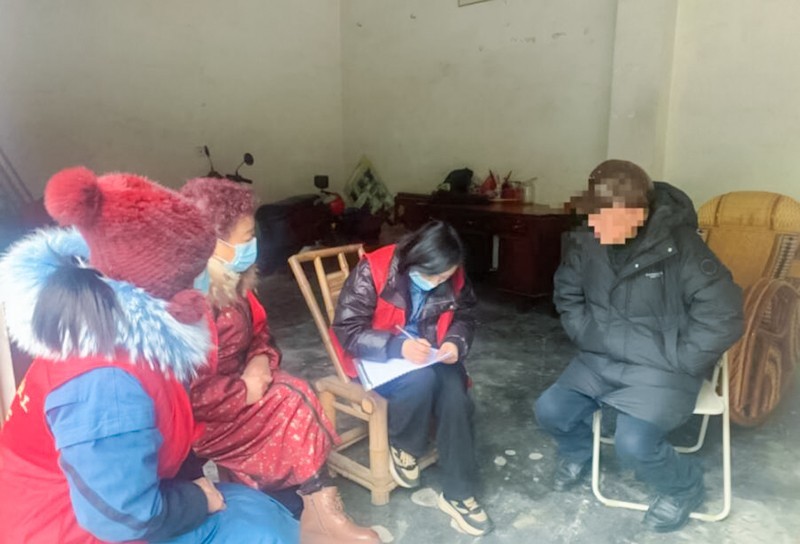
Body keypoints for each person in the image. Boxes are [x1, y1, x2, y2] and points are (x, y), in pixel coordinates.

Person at [0, 167, 298, 543]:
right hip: (70, 529)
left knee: (258, 512)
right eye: (197, 270)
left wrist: (194, 485)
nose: (205, 280)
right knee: (258, 533)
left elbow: (165, 426)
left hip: (126, 502)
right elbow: (120, 516)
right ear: (167, 281)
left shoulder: (139, 342)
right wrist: (196, 499)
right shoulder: (105, 382)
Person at [534, 159, 744, 532]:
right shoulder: (589, 239)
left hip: (661, 367)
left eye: (606, 219)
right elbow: (567, 293)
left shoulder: (682, 247)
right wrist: (588, 335)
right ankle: (579, 452)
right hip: (600, 358)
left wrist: (681, 358)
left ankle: (684, 487)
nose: (595, 227)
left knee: (633, 445)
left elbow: (723, 314)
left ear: (638, 213)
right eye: (593, 216)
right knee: (550, 410)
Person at [181, 177, 380, 544]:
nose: (253, 244)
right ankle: (314, 509)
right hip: (203, 418)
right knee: (291, 401)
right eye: (246, 237)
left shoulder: (236, 283)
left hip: (243, 388)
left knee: (292, 395)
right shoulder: (188, 304)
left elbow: (261, 333)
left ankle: (312, 509)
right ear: (213, 242)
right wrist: (243, 390)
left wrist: (260, 360)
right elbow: (186, 395)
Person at [332, 220, 494, 537]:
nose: (436, 283)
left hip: (429, 352)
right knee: (421, 381)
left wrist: (454, 343)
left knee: (456, 395)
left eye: (444, 277)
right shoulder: (374, 270)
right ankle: (405, 444)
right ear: (414, 258)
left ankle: (459, 493)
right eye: (431, 275)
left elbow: (465, 315)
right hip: (381, 358)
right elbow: (347, 330)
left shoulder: (454, 275)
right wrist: (398, 346)